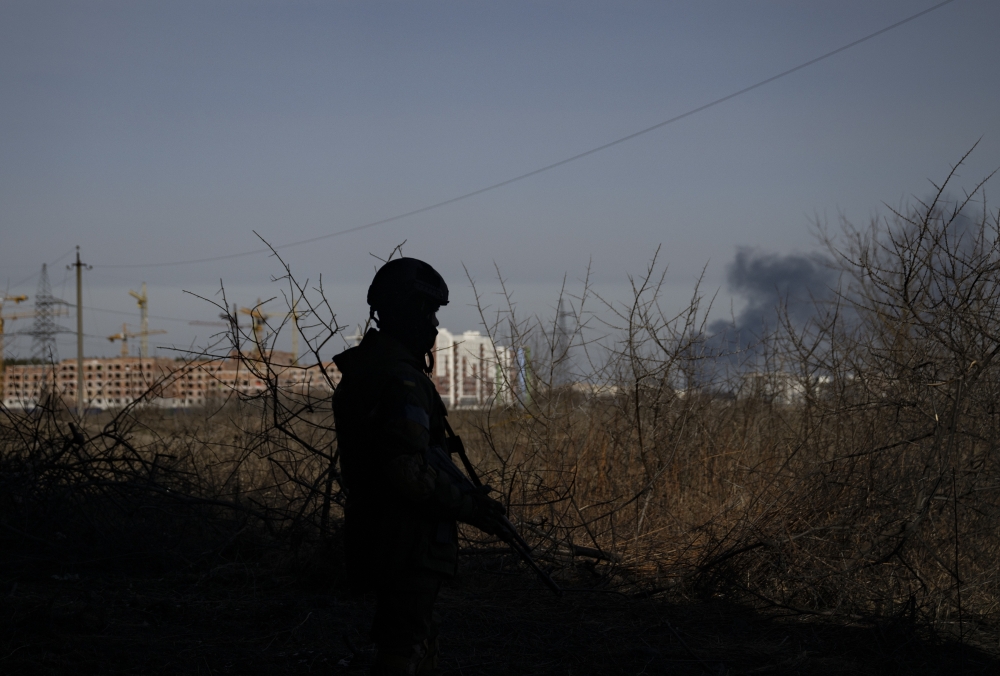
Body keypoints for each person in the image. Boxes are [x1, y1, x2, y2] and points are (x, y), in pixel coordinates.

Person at [332, 258, 505, 676]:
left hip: (382, 532)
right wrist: (468, 506)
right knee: (402, 645)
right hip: (404, 539)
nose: (432, 324)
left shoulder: (370, 367)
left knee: (412, 636)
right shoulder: (400, 378)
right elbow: (407, 471)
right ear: (405, 312)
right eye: (426, 312)